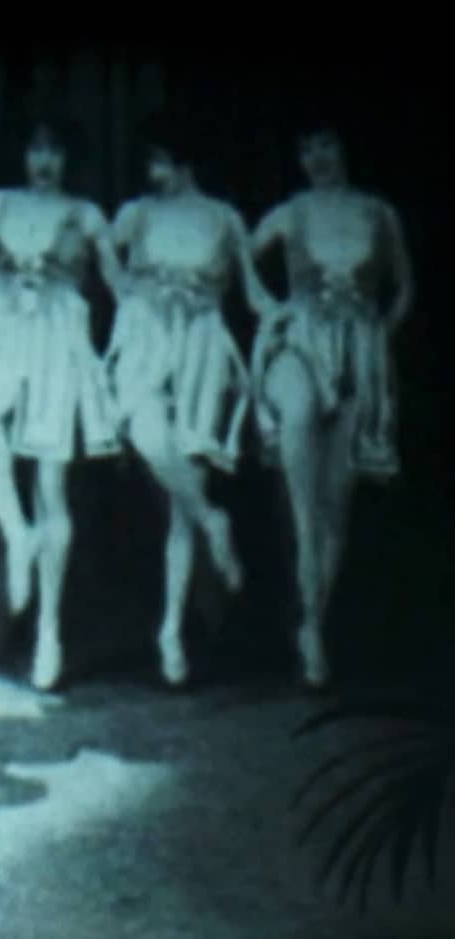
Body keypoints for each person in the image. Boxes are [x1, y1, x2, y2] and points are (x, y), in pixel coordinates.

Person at [105, 109, 281, 686]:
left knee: (182, 503)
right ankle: (216, 524)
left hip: (202, 351)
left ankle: (171, 636)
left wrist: (292, 315)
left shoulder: (224, 219)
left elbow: (254, 295)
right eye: (149, 161)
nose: (154, 172)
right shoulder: (135, 215)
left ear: (184, 159)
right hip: (147, 342)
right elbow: (108, 273)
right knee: (145, 433)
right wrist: (137, 298)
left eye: (161, 160)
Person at [0, 111, 124, 690]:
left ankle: (47, 635)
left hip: (57, 336)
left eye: (54, 149)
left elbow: (118, 280)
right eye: (35, 148)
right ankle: (16, 534)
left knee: (50, 486)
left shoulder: (85, 215)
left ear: (69, 158)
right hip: (2, 330)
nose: (44, 161)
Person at [251, 109, 413, 687]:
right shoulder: (290, 212)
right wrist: (272, 312)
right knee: (301, 497)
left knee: (335, 500)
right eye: (307, 149)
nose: (317, 158)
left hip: (359, 350)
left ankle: (312, 624)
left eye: (326, 144)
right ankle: (310, 621)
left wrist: (375, 341)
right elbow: (240, 255)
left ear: (344, 148)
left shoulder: (378, 212)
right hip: (301, 341)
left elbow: (404, 290)